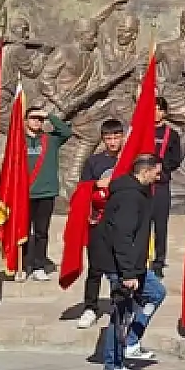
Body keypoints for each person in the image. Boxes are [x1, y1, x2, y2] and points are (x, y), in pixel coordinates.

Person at [99, 154, 162, 370]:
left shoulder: (140, 193)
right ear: (145, 172)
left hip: (135, 265)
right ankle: (112, 367)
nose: (159, 175)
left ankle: (132, 341)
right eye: (156, 171)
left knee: (156, 294)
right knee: (120, 314)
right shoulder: (129, 197)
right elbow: (123, 236)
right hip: (122, 267)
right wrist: (128, 273)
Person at [76, 119, 127, 331]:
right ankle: (90, 307)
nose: (113, 142)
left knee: (121, 268)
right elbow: (82, 188)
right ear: (103, 139)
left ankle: (121, 305)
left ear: (123, 136)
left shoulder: (130, 159)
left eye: (116, 137)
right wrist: (96, 184)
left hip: (123, 223)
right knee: (95, 267)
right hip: (98, 221)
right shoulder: (94, 162)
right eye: (108, 138)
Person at [22, 105, 72, 281]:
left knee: (42, 232)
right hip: (24, 194)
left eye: (39, 118)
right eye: (33, 117)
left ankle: (39, 265)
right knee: (23, 232)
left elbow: (66, 132)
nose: (36, 121)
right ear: (25, 121)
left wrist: (49, 115)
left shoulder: (50, 140)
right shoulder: (19, 141)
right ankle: (23, 264)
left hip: (46, 193)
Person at [148, 98, 182, 276]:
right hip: (143, 185)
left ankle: (159, 262)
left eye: (159, 109)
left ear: (164, 113)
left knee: (160, 226)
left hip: (161, 185)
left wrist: (164, 166)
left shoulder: (172, 134)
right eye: (152, 109)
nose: (156, 113)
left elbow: (176, 158)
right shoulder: (141, 130)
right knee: (141, 225)